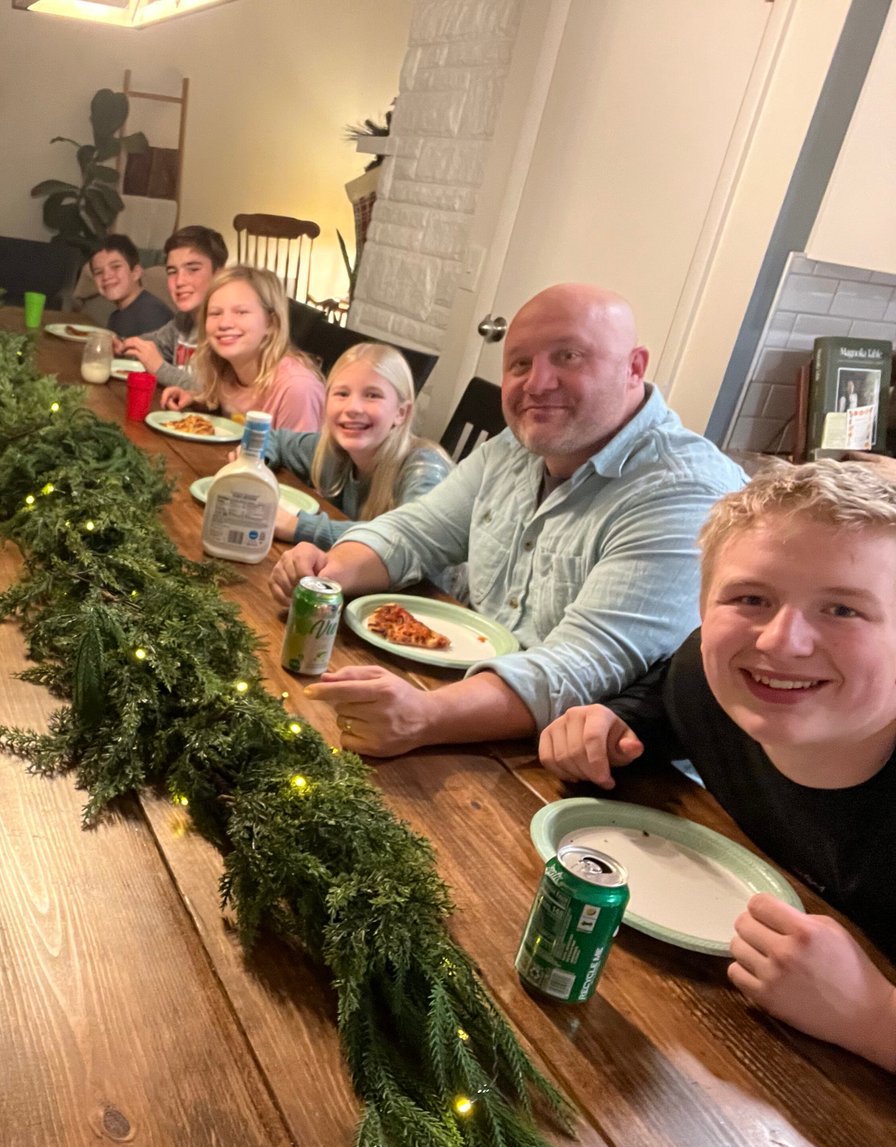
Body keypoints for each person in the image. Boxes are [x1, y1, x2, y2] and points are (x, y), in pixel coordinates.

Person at [276, 283, 748, 756]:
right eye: (520, 363)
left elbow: (582, 664)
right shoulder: (515, 447)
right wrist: (328, 577)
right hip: (468, 706)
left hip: (594, 766)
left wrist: (424, 715)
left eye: (568, 356)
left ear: (634, 368)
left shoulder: (683, 491)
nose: (537, 384)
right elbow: (415, 531)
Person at [539, 462, 896, 1072]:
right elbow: (661, 702)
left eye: (842, 609)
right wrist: (613, 723)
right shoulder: (706, 683)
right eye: (751, 599)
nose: (780, 642)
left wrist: (872, 1017)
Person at [263, 341, 451, 547]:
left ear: (401, 413)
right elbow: (272, 439)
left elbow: (410, 538)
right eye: (342, 394)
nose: (353, 408)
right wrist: (253, 465)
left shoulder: (423, 467)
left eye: (372, 395)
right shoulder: (333, 451)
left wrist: (298, 526)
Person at [159, 265, 323, 432]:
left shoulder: (297, 388)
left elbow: (300, 449)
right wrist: (196, 399)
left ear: (271, 323)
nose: (224, 323)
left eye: (241, 312)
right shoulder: (227, 369)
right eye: (215, 313)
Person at [115, 224, 227, 391]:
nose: (180, 281)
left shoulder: (227, 328)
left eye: (193, 269)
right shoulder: (183, 321)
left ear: (219, 274)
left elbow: (216, 392)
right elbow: (153, 343)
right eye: (172, 271)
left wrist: (159, 368)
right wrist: (121, 345)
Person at [89, 232, 170, 339]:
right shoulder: (116, 317)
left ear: (136, 273)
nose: (106, 276)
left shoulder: (152, 313)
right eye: (99, 272)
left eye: (116, 267)